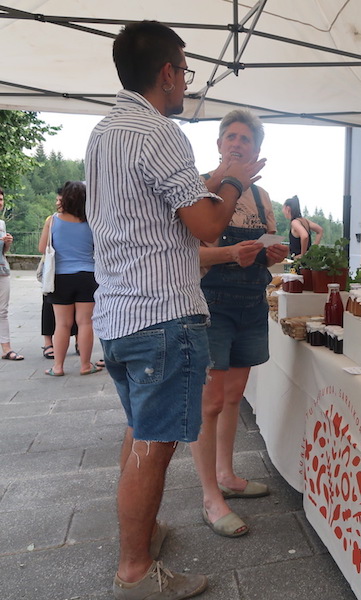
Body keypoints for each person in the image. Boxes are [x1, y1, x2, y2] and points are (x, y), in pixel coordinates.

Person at [85, 20, 263, 600]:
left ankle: (142, 536)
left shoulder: (104, 132)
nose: (187, 81)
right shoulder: (162, 132)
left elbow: (165, 203)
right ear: (166, 73)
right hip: (162, 316)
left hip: (119, 314)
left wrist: (217, 177)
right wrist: (234, 181)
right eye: (185, 70)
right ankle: (135, 570)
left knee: (141, 432)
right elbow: (207, 223)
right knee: (153, 446)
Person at [190, 109, 288, 538]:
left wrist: (271, 254)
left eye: (244, 138)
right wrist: (231, 254)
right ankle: (210, 497)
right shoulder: (201, 187)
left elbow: (264, 249)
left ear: (256, 149)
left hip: (250, 302)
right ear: (218, 145)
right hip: (211, 303)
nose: (236, 143)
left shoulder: (263, 197)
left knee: (233, 397)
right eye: (229, 136)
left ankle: (227, 475)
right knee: (209, 402)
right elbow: (186, 254)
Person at [38, 181, 102, 376]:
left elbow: (42, 248)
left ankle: (58, 367)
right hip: (87, 276)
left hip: (60, 278)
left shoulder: (53, 221)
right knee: (85, 323)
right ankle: (85, 365)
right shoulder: (92, 222)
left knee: (62, 324)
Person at [0, 186, 23, 361]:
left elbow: (3, 251)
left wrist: (7, 243)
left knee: (3, 311)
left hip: (2, 270)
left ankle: (6, 348)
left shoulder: (1, 223)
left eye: (1, 199)